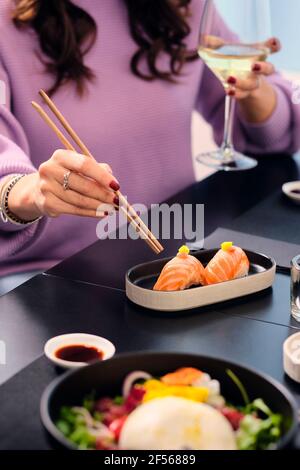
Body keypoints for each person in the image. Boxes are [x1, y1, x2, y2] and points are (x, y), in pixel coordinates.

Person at [0, 0, 299, 294]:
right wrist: (35, 192)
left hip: (173, 260)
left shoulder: (184, 6)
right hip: (50, 278)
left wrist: (253, 89)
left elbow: (275, 133)